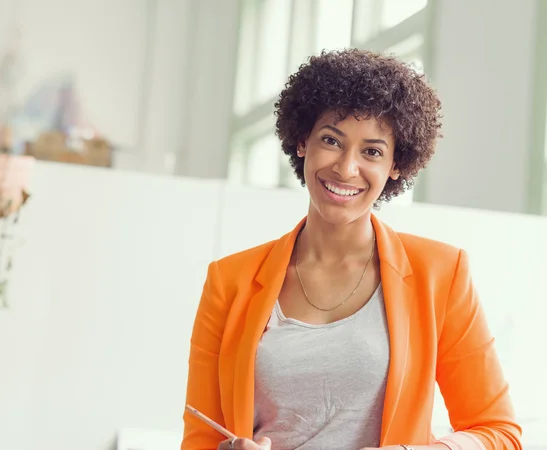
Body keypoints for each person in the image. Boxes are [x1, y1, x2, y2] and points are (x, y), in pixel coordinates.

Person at [181, 49, 522, 450]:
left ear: (397, 164)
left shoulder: (441, 273)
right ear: (303, 141)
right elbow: (200, 439)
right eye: (331, 140)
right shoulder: (229, 281)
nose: (345, 168)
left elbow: (499, 433)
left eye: (372, 151)